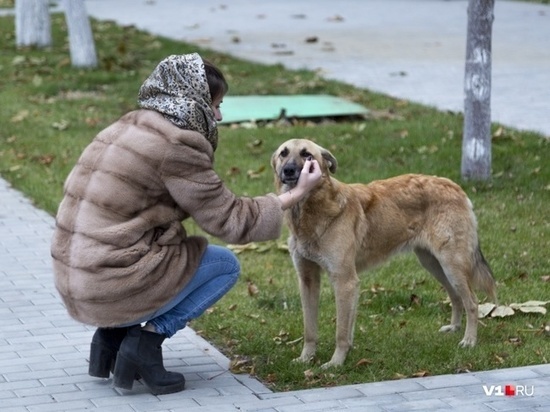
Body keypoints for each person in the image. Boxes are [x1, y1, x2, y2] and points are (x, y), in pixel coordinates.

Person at [50, 53, 322, 395]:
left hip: (75, 274)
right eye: (216, 105)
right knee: (223, 265)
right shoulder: (178, 145)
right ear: (195, 102)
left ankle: (111, 337)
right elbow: (232, 219)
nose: (220, 115)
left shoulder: (129, 124)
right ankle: (144, 343)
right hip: (107, 282)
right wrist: (295, 194)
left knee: (183, 250)